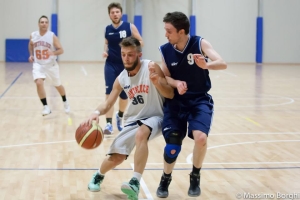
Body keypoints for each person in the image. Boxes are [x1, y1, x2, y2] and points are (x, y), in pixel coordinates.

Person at [82, 36, 174, 200]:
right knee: (115, 158)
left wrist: (158, 83)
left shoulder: (151, 67)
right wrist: (95, 113)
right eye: (123, 54)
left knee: (141, 133)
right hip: (133, 119)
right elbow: (108, 103)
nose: (126, 58)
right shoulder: (122, 78)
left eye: (130, 54)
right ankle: (98, 175)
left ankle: (134, 182)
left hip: (157, 116)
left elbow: (170, 93)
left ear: (139, 55)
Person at [156, 11, 227, 198]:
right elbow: (166, 76)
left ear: (181, 32)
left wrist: (207, 66)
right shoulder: (165, 49)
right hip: (176, 102)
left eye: (169, 31)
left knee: (201, 138)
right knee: (173, 145)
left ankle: (195, 176)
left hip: (199, 99)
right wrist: (176, 83)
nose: (166, 34)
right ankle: (166, 177)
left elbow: (222, 63)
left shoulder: (199, 43)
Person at [102, 2, 143, 135]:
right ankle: (108, 124)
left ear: (121, 13)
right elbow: (106, 44)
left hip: (125, 65)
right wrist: (105, 51)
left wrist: (133, 50)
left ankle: (119, 116)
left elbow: (141, 41)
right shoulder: (107, 29)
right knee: (109, 94)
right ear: (109, 15)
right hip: (110, 65)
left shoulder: (129, 27)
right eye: (112, 12)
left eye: (117, 12)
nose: (115, 14)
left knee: (124, 95)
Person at [28, 15, 70, 116]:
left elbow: (61, 50)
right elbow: (30, 44)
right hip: (38, 64)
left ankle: (65, 101)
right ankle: (46, 107)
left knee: (57, 85)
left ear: (48, 24)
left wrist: (53, 53)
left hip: (51, 66)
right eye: (42, 22)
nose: (44, 24)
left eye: (46, 22)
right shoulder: (33, 35)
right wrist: (31, 55)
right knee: (38, 82)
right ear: (38, 24)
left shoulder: (52, 36)